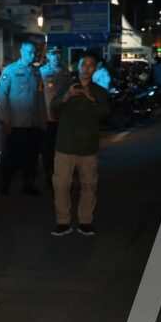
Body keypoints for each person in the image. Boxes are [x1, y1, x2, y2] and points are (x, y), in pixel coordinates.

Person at [49, 53, 110, 237]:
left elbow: (105, 114)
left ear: (95, 69)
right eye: (84, 64)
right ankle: (63, 222)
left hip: (88, 147)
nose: (86, 68)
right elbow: (54, 108)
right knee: (61, 185)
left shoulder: (100, 92)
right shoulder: (66, 87)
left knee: (89, 185)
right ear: (78, 66)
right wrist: (66, 96)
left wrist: (91, 98)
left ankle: (85, 221)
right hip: (65, 145)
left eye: (91, 65)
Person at [0, 41, 46, 195]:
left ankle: (28, 184)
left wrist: (42, 120)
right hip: (16, 123)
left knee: (31, 156)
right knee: (11, 155)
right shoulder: (10, 70)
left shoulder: (36, 72)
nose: (32, 56)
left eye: (34, 53)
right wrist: (5, 120)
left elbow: (40, 98)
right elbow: (2, 96)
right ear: (21, 51)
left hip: (32, 123)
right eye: (29, 52)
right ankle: (4, 184)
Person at [40, 47, 66, 187]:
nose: (56, 56)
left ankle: (60, 173)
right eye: (52, 54)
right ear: (48, 56)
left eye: (58, 54)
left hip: (62, 117)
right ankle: (49, 174)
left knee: (61, 148)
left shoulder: (65, 72)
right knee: (48, 148)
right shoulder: (42, 72)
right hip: (47, 117)